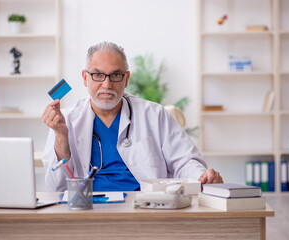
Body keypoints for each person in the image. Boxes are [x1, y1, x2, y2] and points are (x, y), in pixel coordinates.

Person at [42, 41, 223, 192]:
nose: (107, 84)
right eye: (98, 75)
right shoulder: (65, 121)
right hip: (88, 207)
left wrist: (201, 176)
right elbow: (54, 188)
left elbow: (185, 161)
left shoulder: (154, 115)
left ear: (126, 79)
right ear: (84, 78)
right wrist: (61, 137)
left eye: (116, 75)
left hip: (143, 206)